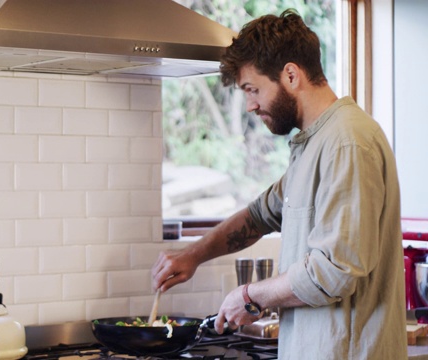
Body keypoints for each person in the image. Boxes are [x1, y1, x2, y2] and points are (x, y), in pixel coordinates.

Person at [151, 9, 406, 360]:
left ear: (290, 74)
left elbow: (333, 272)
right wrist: (193, 255)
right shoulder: (315, 142)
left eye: (253, 89)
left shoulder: (348, 142)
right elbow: (260, 215)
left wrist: (251, 296)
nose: (250, 106)